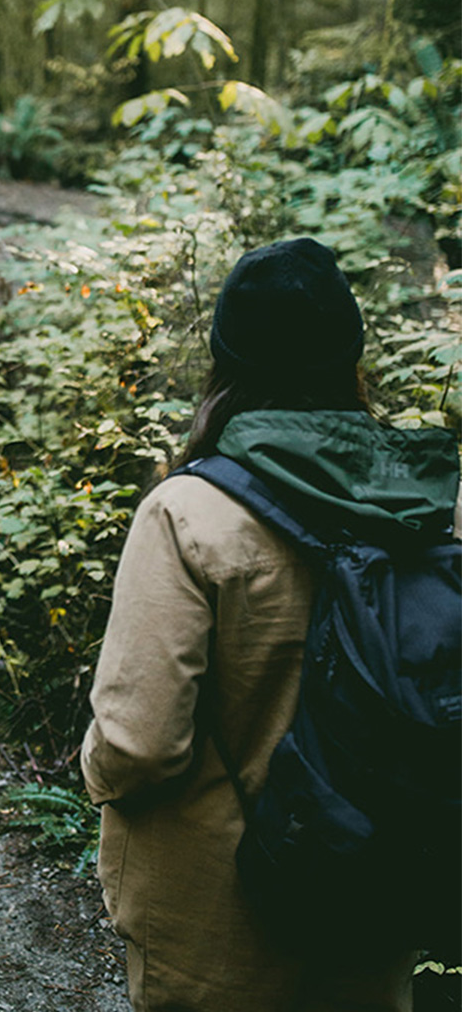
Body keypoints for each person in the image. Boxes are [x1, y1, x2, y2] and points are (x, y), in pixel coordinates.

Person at [80, 237, 459, 1011]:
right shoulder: (430, 504)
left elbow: (140, 744)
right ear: (351, 357)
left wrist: (97, 770)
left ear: (226, 366)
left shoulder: (188, 513)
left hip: (219, 919)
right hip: (377, 890)